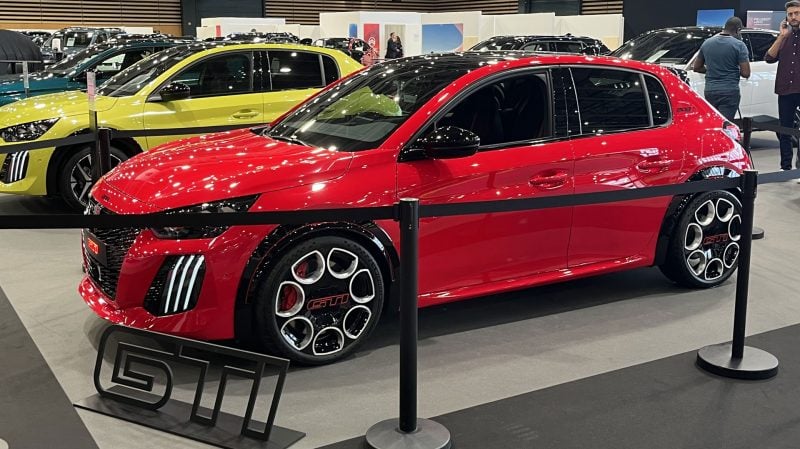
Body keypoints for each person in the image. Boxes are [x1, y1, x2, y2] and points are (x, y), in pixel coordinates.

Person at [692, 17, 751, 121]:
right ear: (738, 30)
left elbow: (696, 67)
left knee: (713, 122)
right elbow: (746, 73)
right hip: (729, 91)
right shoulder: (739, 45)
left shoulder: (707, 43)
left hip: (710, 90)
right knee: (725, 124)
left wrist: (711, 70)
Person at [766, 0, 800, 172]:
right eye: (790, 14)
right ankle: (785, 167)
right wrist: (781, 36)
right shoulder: (785, 37)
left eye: (797, 13)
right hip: (785, 89)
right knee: (784, 129)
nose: (793, 17)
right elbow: (769, 57)